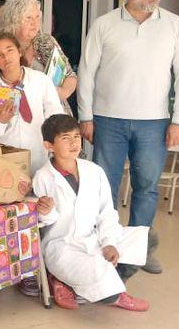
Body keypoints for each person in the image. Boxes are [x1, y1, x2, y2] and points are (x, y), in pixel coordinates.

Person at [77, 0, 179, 274]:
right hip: (108, 121)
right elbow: (86, 72)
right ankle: (107, 248)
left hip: (154, 123)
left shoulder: (174, 26)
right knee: (106, 189)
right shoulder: (104, 24)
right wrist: (85, 117)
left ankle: (137, 251)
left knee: (147, 187)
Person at [33, 114, 150, 312]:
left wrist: (109, 243)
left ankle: (71, 282)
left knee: (146, 240)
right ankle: (112, 292)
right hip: (63, 247)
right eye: (65, 138)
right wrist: (47, 211)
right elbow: (43, 224)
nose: (74, 143)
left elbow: (107, 212)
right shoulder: (43, 177)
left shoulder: (94, 171)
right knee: (98, 270)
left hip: (94, 239)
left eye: (77, 136)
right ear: (48, 145)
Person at [0, 32, 64, 175]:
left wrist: (56, 150)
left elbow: (55, 115)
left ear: (19, 52)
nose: (6, 57)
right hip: (7, 164)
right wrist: (0, 121)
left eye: (9, 50)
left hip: (41, 158)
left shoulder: (40, 81)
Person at [0, 0, 78, 109]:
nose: (35, 23)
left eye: (37, 17)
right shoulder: (1, 46)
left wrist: (61, 93)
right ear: (12, 21)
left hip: (53, 115)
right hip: (15, 114)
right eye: (28, 18)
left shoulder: (44, 41)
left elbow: (70, 75)